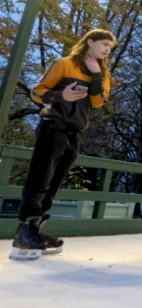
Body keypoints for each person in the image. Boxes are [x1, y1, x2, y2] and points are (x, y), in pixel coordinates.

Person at [9, 30, 115, 261]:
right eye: (104, 44)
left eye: (110, 47)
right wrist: (61, 95)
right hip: (53, 126)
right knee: (40, 177)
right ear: (90, 42)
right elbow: (37, 93)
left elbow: (97, 102)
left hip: (76, 130)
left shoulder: (103, 74)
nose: (108, 49)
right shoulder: (65, 64)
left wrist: (96, 74)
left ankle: (36, 228)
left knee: (55, 181)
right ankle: (24, 231)